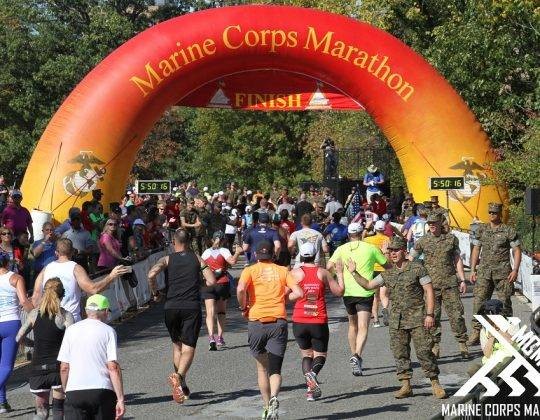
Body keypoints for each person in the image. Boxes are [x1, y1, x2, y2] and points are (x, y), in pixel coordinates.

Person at [343, 236, 446, 399]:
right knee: (400, 353)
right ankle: (406, 385)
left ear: (404, 251)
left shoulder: (417, 268)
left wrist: (429, 314)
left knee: (425, 351)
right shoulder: (387, 274)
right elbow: (368, 285)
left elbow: (429, 290)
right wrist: (354, 272)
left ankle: (435, 383)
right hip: (397, 321)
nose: (393, 254)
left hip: (418, 318)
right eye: (390, 251)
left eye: (396, 250)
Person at [147, 229, 216, 404]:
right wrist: (198, 285)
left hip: (171, 307)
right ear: (189, 242)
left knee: (177, 345)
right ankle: (179, 376)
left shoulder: (167, 259)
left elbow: (151, 274)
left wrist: (155, 293)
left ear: (173, 242)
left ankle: (181, 384)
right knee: (189, 347)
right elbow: (211, 281)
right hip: (190, 306)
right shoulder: (197, 258)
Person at [237, 241, 303, 420]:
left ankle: (266, 407)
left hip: (256, 321)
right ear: (273, 255)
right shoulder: (283, 271)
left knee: (261, 368)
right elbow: (299, 293)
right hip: (278, 321)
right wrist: (283, 299)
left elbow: (241, 289)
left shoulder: (249, 270)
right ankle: (274, 397)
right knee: (275, 369)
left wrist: (243, 306)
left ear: (256, 255)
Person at [327, 222, 388, 377]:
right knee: (363, 326)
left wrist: (338, 274)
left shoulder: (341, 249)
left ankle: (354, 356)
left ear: (348, 235)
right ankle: (357, 356)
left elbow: (328, 266)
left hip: (348, 292)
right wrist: (385, 253)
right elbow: (388, 266)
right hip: (365, 291)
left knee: (352, 325)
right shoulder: (371, 248)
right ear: (362, 234)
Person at [289, 243, 344, 401]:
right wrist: (340, 273)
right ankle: (312, 376)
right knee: (320, 355)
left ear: (300, 255)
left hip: (299, 320)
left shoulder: (294, 273)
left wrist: (296, 296)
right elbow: (339, 292)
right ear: (316, 255)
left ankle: (310, 391)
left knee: (306, 355)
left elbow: (284, 295)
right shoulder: (323, 272)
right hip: (318, 320)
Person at [410, 213, 469, 359]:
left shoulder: (451, 239)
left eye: (434, 222)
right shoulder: (423, 241)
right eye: (429, 223)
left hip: (450, 284)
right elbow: (411, 258)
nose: (431, 225)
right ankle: (435, 345)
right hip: (431, 287)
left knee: (456, 315)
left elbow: (457, 259)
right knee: (432, 317)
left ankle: (462, 343)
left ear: (440, 223)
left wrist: (462, 279)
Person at [58, 294, 125, 419]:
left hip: (74, 391)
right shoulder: (108, 331)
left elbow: (64, 367)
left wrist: (66, 390)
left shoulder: (71, 330)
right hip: (101, 390)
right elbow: (113, 367)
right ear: (105, 311)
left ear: (86, 310)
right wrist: (120, 399)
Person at [17, 278, 74, 420]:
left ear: (44, 293)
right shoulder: (65, 315)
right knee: (58, 409)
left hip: (37, 369)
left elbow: (18, 337)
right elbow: (73, 340)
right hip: (58, 368)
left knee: (41, 413)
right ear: (62, 294)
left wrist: (34, 344)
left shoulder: (34, 314)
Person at [32, 238, 129, 322]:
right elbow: (93, 289)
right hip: (70, 321)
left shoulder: (46, 269)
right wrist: (112, 276)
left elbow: (36, 298)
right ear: (72, 252)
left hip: (50, 320)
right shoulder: (76, 268)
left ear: (56, 253)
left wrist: (41, 319)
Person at [468, 202, 522, 346]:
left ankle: (507, 333)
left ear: (500, 214)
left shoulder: (508, 230)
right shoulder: (482, 229)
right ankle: (476, 330)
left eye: (495, 213)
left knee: (505, 303)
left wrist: (515, 270)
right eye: (490, 212)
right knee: (479, 301)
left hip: (503, 273)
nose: (492, 215)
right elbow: (476, 249)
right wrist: (472, 269)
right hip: (484, 272)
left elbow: (517, 250)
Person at [0, 251, 33, 413]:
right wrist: (36, 315)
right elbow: (24, 301)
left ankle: (2, 402)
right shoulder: (15, 278)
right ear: (7, 262)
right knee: (6, 366)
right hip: (10, 322)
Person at [201, 231, 242, 350]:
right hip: (222, 283)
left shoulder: (205, 252)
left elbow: (200, 267)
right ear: (223, 240)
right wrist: (237, 252)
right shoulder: (224, 251)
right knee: (221, 312)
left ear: (212, 240)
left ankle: (211, 338)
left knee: (210, 313)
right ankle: (219, 338)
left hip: (208, 284)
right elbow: (232, 262)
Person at [362, 220, 390, 328]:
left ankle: (376, 320)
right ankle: (385, 308)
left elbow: (360, 238)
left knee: (375, 296)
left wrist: (366, 228)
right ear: (384, 229)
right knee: (384, 294)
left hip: (372, 269)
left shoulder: (368, 240)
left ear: (375, 229)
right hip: (384, 269)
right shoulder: (387, 239)